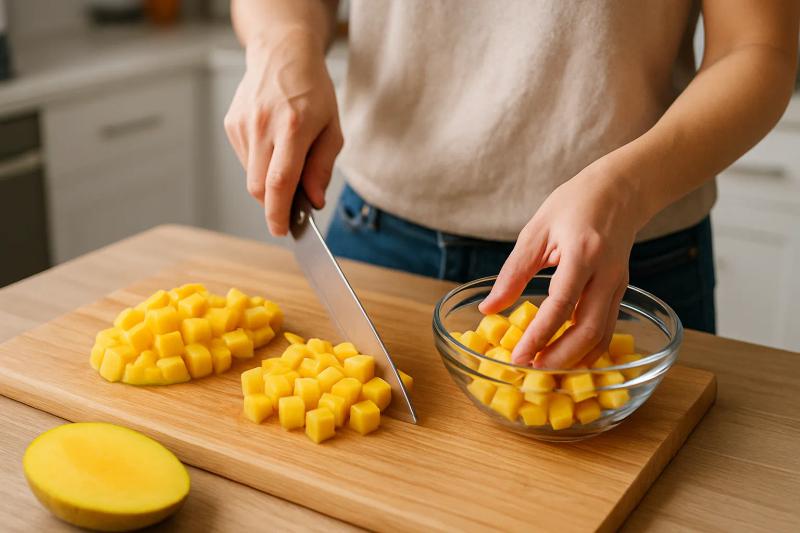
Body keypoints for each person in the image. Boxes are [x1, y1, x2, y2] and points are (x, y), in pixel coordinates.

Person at [225, 0, 799, 368]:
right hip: (375, 236)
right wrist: (281, 42)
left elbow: (757, 48)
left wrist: (628, 187)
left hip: (629, 262)